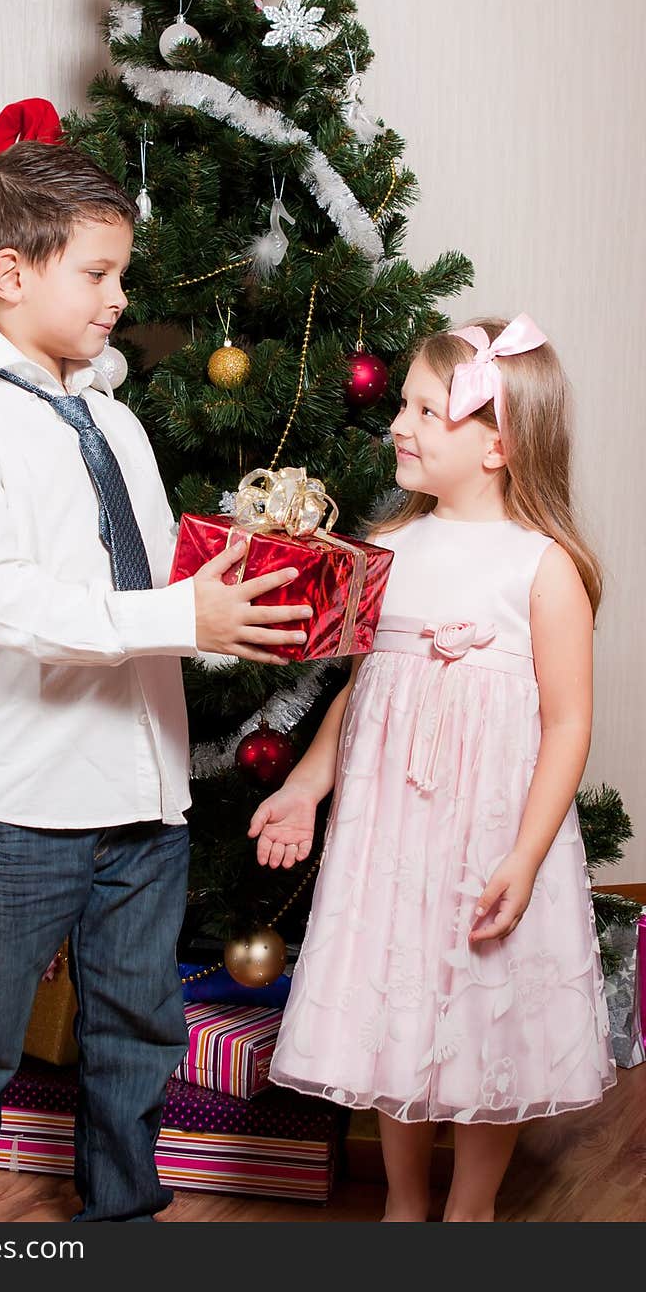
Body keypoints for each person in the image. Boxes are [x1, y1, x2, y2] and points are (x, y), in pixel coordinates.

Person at [0, 129, 312, 1223]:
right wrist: (180, 607)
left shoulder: (116, 421)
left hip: (145, 787)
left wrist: (241, 612)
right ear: (10, 274)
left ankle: (123, 1216)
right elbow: (3, 601)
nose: (120, 297)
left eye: (122, 273)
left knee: (138, 1027)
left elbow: (159, 584)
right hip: (27, 797)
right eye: (99, 273)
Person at [249, 316, 615, 1223]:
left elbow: (568, 723)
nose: (398, 424)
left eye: (425, 409)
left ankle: (473, 1207)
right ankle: (405, 1201)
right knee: (397, 1013)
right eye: (403, 404)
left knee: (486, 1008)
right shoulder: (390, 550)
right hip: (392, 836)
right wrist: (305, 783)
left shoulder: (542, 567)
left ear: (498, 444)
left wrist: (525, 858)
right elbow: (361, 692)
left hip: (490, 834)